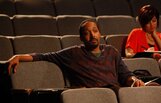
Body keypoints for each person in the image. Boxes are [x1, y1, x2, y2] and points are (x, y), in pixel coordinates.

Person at [7, 19, 144, 92]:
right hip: (94, 96)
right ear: (81, 37)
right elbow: (43, 56)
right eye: (87, 33)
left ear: (100, 34)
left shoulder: (111, 51)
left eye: (95, 31)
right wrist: (18, 56)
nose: (92, 35)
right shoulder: (73, 53)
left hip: (117, 93)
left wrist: (134, 80)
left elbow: (125, 75)